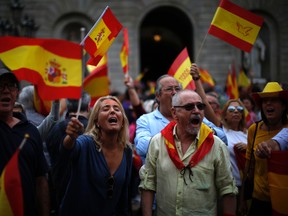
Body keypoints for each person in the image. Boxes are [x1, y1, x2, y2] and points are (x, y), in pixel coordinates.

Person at [139, 89, 238, 216]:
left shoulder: (216, 146)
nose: (196, 110)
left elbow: (228, 190)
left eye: (200, 106)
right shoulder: (157, 143)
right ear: (174, 113)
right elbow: (148, 185)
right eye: (189, 107)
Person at [58, 95, 133, 216]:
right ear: (97, 121)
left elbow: (124, 195)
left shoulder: (127, 150)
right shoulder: (86, 143)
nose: (112, 111)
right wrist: (70, 137)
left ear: (122, 120)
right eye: (105, 109)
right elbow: (68, 150)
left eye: (116, 109)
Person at [0, 67, 49, 216]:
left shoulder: (31, 131)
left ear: (17, 94)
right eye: (0, 86)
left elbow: (40, 180)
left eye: (11, 86)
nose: (6, 91)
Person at [239, 82, 288, 215]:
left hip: (283, 201)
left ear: (283, 106)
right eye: (265, 101)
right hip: (258, 200)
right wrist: (243, 199)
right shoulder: (253, 130)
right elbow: (249, 168)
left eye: (274, 100)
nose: (268, 104)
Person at [46, 92, 91, 215]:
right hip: (86, 196)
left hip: (58, 192)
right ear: (88, 107)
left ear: (67, 106)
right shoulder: (95, 131)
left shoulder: (53, 129)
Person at [221, 99, 248, 213]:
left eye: (239, 109)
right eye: (231, 109)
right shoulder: (221, 131)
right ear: (225, 115)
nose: (236, 111)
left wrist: (249, 148)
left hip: (245, 185)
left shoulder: (248, 133)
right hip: (226, 184)